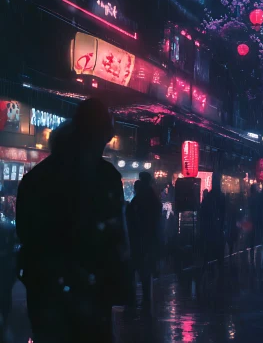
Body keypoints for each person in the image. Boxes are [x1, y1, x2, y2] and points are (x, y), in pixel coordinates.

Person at [17, 98, 133, 341]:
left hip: (46, 294)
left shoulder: (36, 178)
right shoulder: (106, 178)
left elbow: (27, 235)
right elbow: (116, 239)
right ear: (99, 133)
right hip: (90, 296)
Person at [126, 172, 163, 312]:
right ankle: (146, 300)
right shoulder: (153, 199)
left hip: (138, 240)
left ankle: (133, 300)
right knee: (145, 273)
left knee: (135, 271)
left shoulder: (139, 200)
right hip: (148, 240)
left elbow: (131, 218)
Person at [200, 173, 227, 267]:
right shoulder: (221, 196)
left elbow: (203, 213)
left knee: (209, 253)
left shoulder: (209, 197)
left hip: (210, 228)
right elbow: (225, 213)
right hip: (218, 228)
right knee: (219, 256)